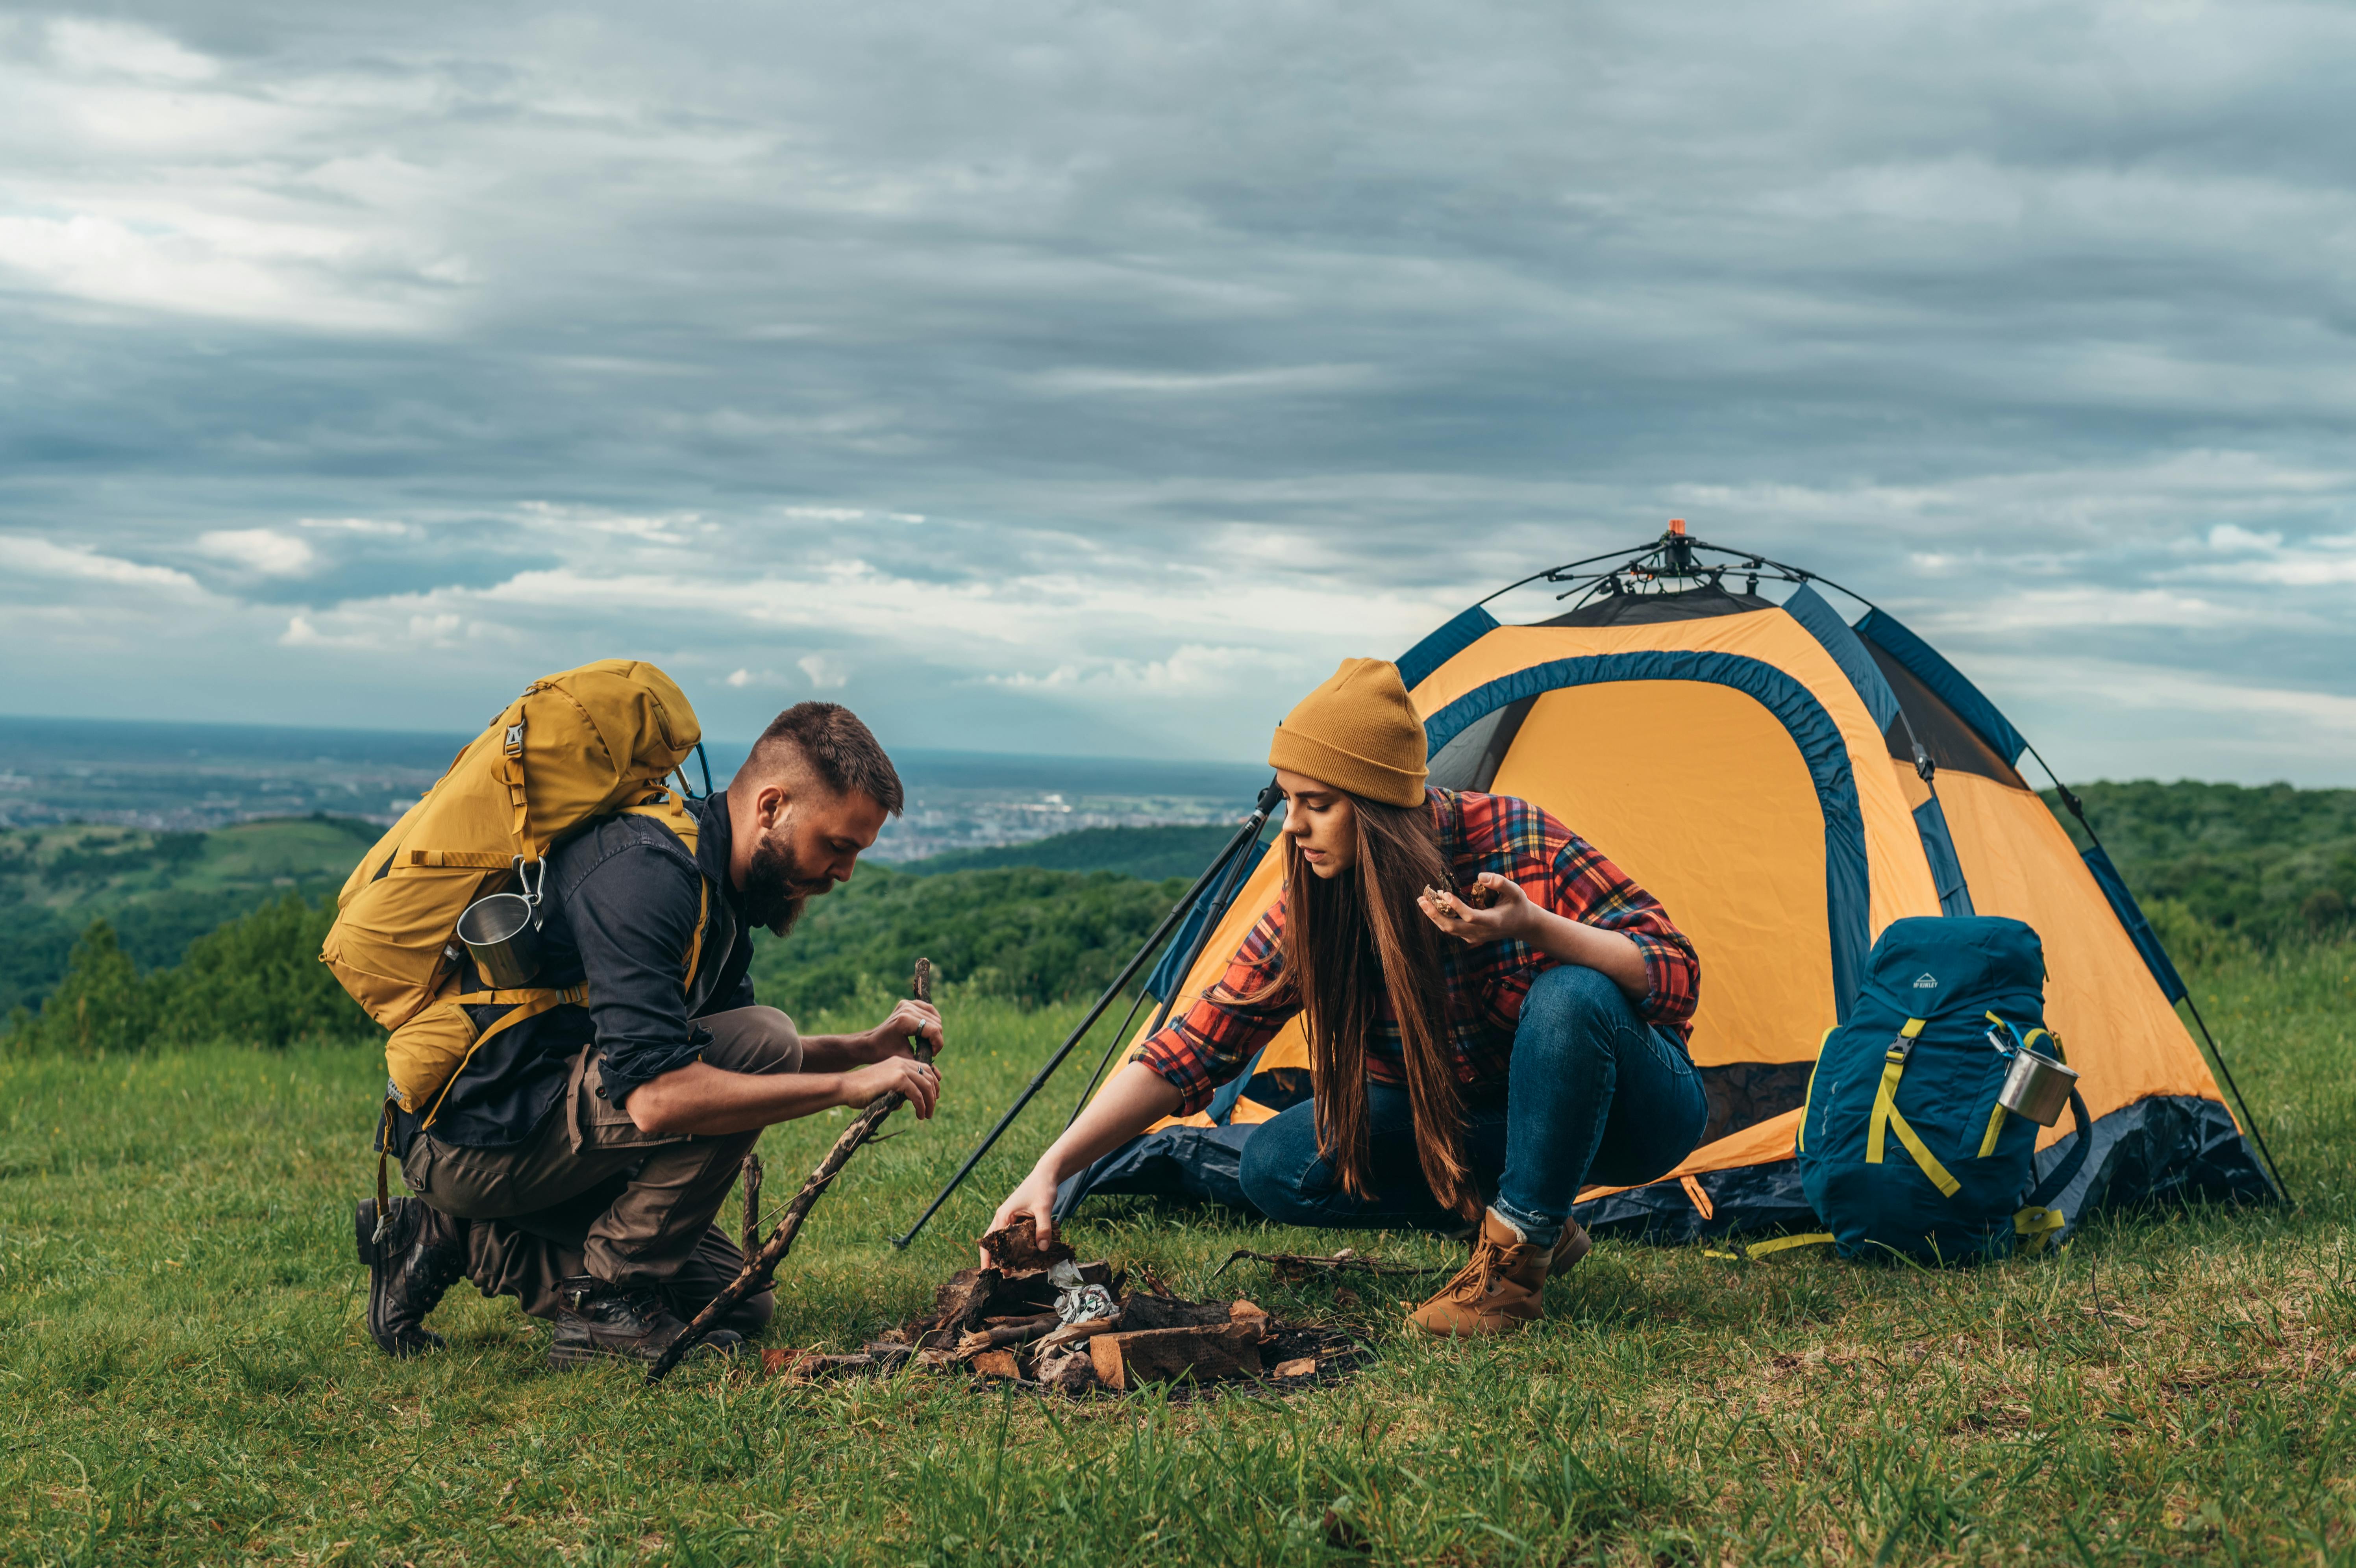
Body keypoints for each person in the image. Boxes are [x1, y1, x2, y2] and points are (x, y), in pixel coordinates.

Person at [989, 659, 1704, 1334]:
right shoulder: (1315, 905)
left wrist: (1535, 928)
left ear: (1380, 808)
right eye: (1287, 801)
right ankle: (1527, 1217)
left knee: (1570, 996)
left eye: (1317, 804)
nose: (1293, 828)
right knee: (1278, 1165)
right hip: (1477, 1121)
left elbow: (1675, 973)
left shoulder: (1513, 838)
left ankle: (1512, 1273)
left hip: (1634, 1116)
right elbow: (1191, 1048)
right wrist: (1051, 1169)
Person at [357, 702, 945, 1367]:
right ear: (772, 807)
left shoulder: (719, 894)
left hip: (537, 1131)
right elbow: (660, 1098)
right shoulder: (648, 871)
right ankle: (606, 1300)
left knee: (736, 1301)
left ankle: (450, 1237)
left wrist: (864, 1048)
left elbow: (714, 1057)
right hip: (473, 1139)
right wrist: (845, 1086)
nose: (844, 872)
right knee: (766, 1038)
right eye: (837, 845)